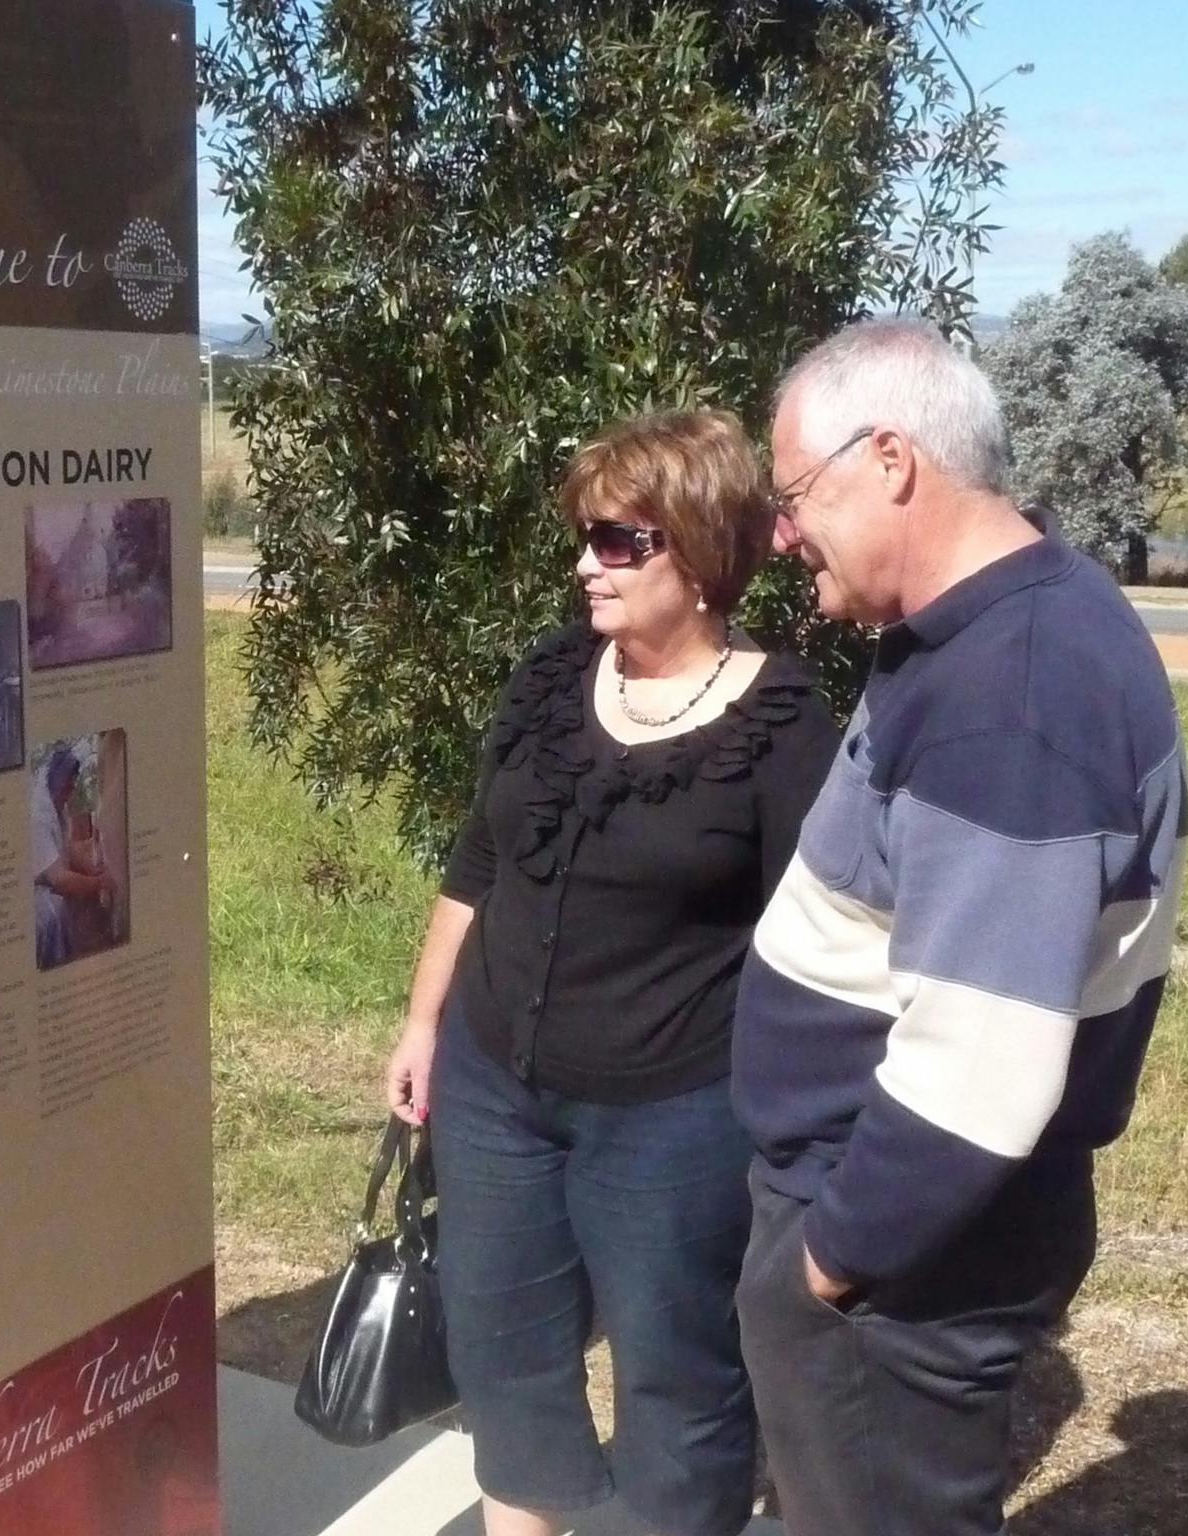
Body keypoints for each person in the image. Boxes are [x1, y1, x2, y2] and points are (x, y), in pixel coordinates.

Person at [731, 318, 1188, 1536]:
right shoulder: (999, 620)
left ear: (888, 460)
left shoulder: (1013, 694)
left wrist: (824, 1266)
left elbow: (979, 1066)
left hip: (899, 1253)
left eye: (790, 496)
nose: (778, 533)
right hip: (900, 1231)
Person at [384, 410, 842, 1536]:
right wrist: (421, 1024)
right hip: (495, 1093)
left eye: (617, 541)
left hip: (671, 1119)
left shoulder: (781, 728)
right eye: (585, 536)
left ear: (694, 555)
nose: (584, 562)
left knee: (675, 1384)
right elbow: (479, 860)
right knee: (505, 1361)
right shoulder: (550, 679)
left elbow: (825, 946)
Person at [33, 745, 115, 969]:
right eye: (66, 786)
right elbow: (59, 878)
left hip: (47, 883)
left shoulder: (58, 805)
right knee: (54, 912)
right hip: (31, 892)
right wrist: (99, 883)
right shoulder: (39, 816)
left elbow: (67, 849)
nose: (69, 793)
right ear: (57, 781)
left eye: (72, 787)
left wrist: (93, 869)